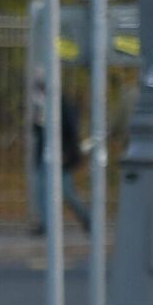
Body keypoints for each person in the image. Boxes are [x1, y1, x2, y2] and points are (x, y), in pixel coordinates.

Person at [28, 76, 92, 235]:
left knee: (66, 192)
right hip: (43, 155)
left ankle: (87, 219)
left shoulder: (62, 104)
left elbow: (71, 130)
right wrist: (36, 121)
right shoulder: (40, 107)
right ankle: (45, 225)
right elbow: (37, 131)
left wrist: (67, 153)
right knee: (40, 189)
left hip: (60, 155)